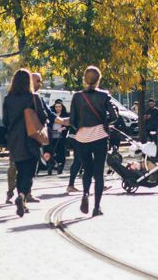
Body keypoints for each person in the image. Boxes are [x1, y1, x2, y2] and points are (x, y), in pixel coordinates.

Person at [70, 66, 118, 217]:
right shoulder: (104, 95)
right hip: (99, 136)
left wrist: (80, 127)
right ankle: (96, 207)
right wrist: (105, 122)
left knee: (87, 169)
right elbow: (114, 115)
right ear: (98, 79)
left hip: (82, 137)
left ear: (84, 79)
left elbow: (72, 120)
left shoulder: (77, 97)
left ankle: (85, 194)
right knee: (98, 172)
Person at [3, 69, 47, 217]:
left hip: (14, 140)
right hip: (31, 138)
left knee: (20, 170)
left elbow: (5, 121)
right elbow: (43, 116)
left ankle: (22, 199)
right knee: (30, 172)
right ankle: (22, 195)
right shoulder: (33, 97)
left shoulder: (8, 98)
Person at [48, 100, 70, 174]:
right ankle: (52, 164)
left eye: (59, 107)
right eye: (56, 107)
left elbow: (68, 125)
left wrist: (62, 128)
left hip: (61, 135)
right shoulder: (52, 115)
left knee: (61, 151)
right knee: (52, 150)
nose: (58, 108)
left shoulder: (65, 114)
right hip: (52, 134)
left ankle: (60, 165)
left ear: (62, 107)